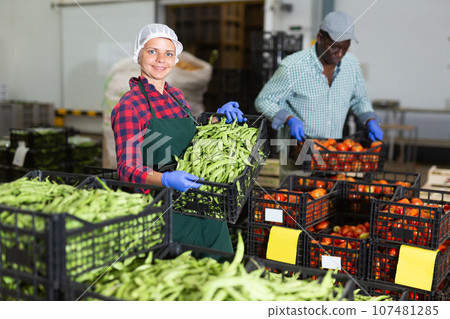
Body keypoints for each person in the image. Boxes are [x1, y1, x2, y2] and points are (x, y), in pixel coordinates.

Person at [111, 23, 245, 253]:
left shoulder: (175, 95)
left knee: (218, 267)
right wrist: (166, 179)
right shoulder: (130, 105)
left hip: (201, 201)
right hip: (163, 211)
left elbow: (192, 134)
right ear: (138, 54)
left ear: (175, 60)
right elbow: (126, 169)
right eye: (152, 51)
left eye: (168, 53)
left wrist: (218, 119)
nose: (161, 59)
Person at [255, 11, 383, 179]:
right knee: (296, 200)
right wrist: (289, 119)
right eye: (335, 47)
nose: (339, 54)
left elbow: (359, 99)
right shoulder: (293, 66)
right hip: (298, 152)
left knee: (328, 200)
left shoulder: (351, 65)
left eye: (345, 48)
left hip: (334, 153)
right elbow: (263, 100)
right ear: (320, 38)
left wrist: (369, 119)